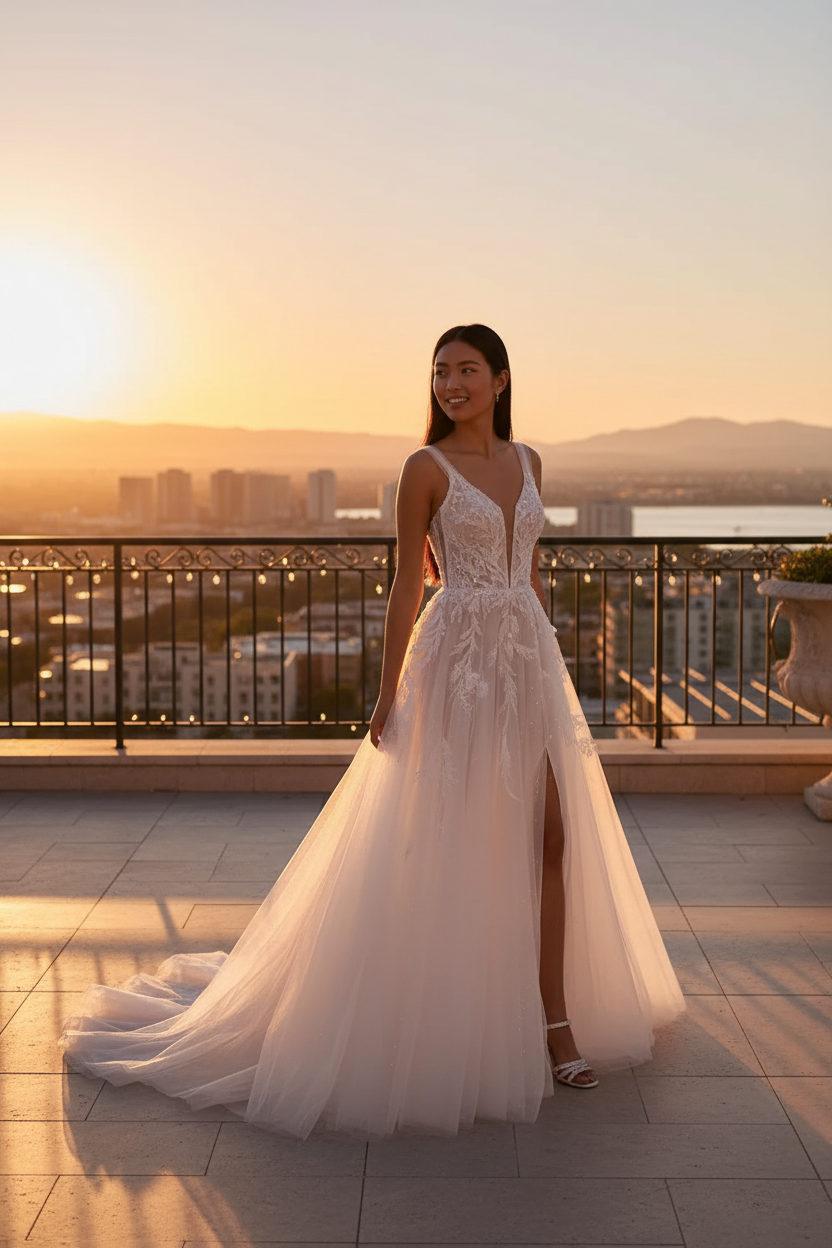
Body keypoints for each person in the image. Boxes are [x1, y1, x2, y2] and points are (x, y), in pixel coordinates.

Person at [60, 324, 684, 1137]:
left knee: (554, 839)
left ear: (499, 379)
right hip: (453, 662)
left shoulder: (530, 462)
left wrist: (545, 661)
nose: (450, 383)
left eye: (465, 369)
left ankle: (554, 1020)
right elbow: (403, 585)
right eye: (439, 372)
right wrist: (387, 691)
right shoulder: (423, 468)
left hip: (523, 659)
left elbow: (529, 571)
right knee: (449, 839)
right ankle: (446, 1022)